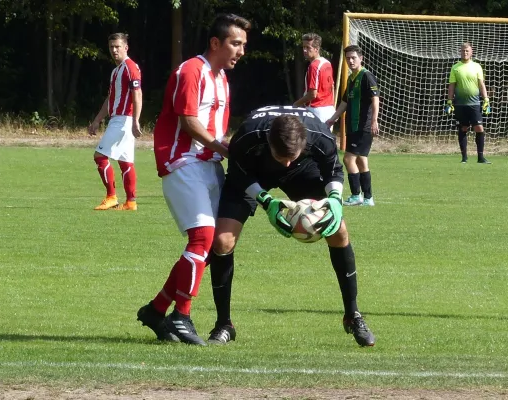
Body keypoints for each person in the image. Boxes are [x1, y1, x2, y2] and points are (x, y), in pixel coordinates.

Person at [208, 105, 376, 347]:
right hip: (253, 173)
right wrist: (266, 201)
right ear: (268, 141)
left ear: (304, 143)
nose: (285, 164)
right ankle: (224, 324)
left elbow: (334, 171)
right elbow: (238, 173)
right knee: (222, 241)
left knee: (339, 231)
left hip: (303, 171)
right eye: (280, 157)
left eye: (291, 157)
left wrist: (336, 202)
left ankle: (353, 315)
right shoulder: (247, 136)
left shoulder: (320, 136)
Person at [136, 14, 251, 346]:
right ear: (215, 43)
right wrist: (223, 148)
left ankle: (157, 309)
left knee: (211, 246)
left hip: (210, 167)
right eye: (235, 43)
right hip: (182, 164)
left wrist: (225, 148)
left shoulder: (221, 78)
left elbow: (215, 129)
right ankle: (181, 315)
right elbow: (188, 122)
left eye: (243, 44)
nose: (241, 51)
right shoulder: (191, 70)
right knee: (201, 239)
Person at [88, 33, 143, 211]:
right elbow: (110, 99)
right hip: (118, 119)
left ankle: (111, 196)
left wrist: (136, 120)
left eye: (117, 46)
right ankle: (131, 202)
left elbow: (138, 94)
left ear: (126, 47)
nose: (114, 50)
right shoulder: (116, 70)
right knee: (125, 162)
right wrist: (97, 120)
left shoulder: (130, 67)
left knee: (100, 156)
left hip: (123, 120)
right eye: (111, 47)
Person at [326, 45, 379, 207]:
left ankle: (357, 195)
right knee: (362, 161)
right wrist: (333, 118)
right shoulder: (351, 78)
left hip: (363, 126)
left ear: (361, 58)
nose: (350, 61)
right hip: (353, 126)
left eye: (353, 57)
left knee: (348, 158)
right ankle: (368, 198)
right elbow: (345, 102)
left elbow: (375, 99)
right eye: (348, 58)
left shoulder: (366, 76)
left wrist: (374, 120)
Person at [444, 42, 491, 164]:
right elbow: (452, 86)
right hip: (460, 104)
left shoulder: (477, 67)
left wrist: (486, 99)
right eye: (463, 51)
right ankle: (464, 158)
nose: (465, 53)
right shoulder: (455, 67)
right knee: (463, 128)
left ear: (471, 52)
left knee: (479, 128)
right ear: (460, 52)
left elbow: (481, 84)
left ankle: (480, 157)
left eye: (467, 51)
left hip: (474, 103)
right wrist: (449, 101)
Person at [292, 33, 335, 123]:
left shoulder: (314, 66)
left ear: (317, 49)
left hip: (316, 111)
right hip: (329, 110)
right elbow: (332, 87)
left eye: (308, 47)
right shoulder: (327, 63)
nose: (304, 50)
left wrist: (296, 104)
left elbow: (312, 94)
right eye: (303, 47)